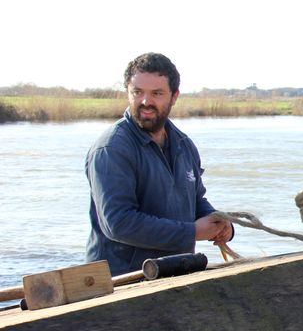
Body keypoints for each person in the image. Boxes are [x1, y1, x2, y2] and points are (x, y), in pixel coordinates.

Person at [85, 52, 233, 276]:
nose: (146, 101)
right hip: (120, 283)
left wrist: (222, 225)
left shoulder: (184, 145)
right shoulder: (111, 149)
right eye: (138, 92)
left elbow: (195, 201)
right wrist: (192, 232)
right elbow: (118, 223)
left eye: (156, 93)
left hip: (172, 274)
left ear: (174, 96)